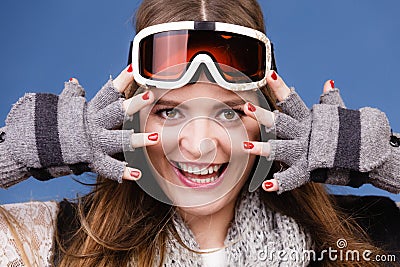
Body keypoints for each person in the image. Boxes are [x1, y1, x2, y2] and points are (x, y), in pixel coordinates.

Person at [0, 0, 399, 266]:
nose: (198, 144)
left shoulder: (370, 235)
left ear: (267, 115)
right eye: (169, 111)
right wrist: (26, 149)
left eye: (229, 112)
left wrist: (381, 158)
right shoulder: (49, 240)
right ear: (131, 117)